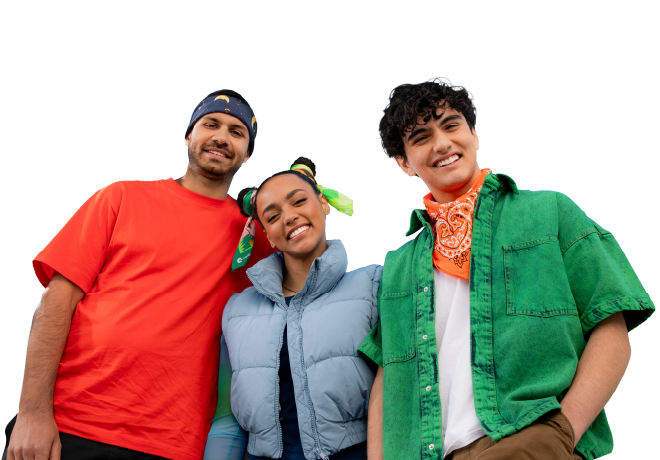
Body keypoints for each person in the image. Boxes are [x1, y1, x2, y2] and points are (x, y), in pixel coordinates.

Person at [359, 77, 655, 460]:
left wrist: (563, 431)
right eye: (421, 137)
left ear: (474, 134)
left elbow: (611, 328)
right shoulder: (398, 266)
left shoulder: (550, 212)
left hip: (525, 438)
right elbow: (388, 382)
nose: (442, 143)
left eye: (451, 125)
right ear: (404, 163)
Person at [4, 89, 273, 460]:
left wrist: (297, 199)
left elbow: (301, 284)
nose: (222, 137)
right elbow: (56, 303)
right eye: (210, 124)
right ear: (188, 136)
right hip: (70, 425)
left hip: (173, 444)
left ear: (247, 153)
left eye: (237, 132)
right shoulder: (120, 198)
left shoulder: (254, 238)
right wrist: (32, 412)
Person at [205, 157, 381, 460]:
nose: (289, 217)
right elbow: (227, 422)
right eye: (273, 217)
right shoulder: (237, 311)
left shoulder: (374, 285)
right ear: (268, 237)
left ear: (323, 204)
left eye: (299, 201)